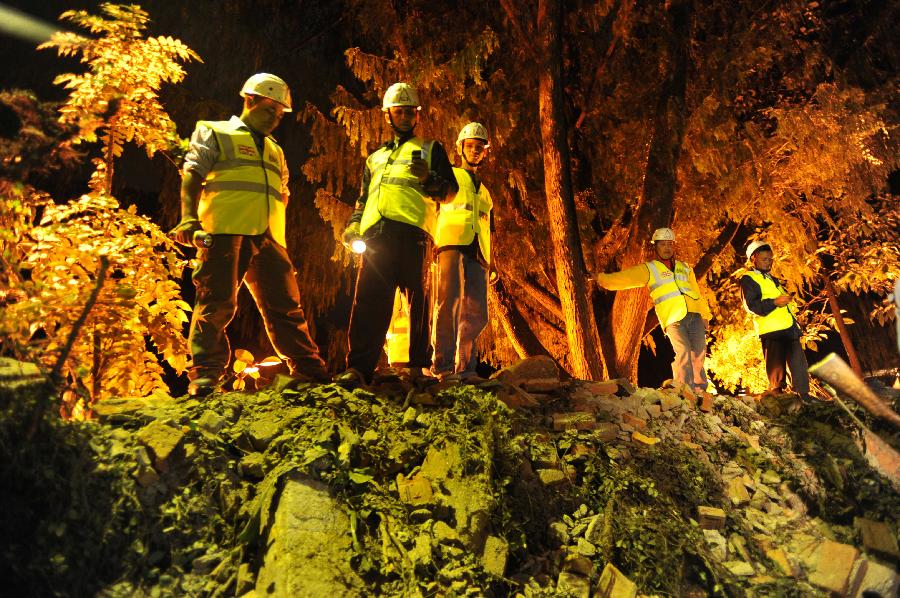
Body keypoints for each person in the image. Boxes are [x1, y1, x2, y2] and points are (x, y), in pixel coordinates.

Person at [170, 73, 328, 397]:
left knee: (286, 306)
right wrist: (188, 219)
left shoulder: (276, 151)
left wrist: (278, 236)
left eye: (280, 114)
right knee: (215, 304)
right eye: (270, 109)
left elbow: (282, 194)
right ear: (250, 100)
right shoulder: (215, 132)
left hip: (270, 237)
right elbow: (192, 175)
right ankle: (205, 377)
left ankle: (309, 371)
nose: (275, 119)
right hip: (226, 229)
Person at [335, 83, 458, 386]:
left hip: (414, 234)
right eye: (398, 111)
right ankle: (359, 369)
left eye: (409, 112)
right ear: (388, 115)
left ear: (417, 116)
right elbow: (364, 199)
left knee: (420, 301)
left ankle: (419, 368)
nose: (404, 116)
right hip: (377, 236)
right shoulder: (374, 158)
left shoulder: (431, 149)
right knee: (368, 302)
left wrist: (428, 177)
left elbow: (450, 192)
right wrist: (353, 226)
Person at [592, 228, 712, 392]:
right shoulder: (650, 269)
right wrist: (602, 279)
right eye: (663, 244)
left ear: (674, 246)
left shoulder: (685, 268)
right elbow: (625, 278)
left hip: (694, 315)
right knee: (683, 351)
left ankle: (700, 391)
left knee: (698, 353)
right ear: (656, 247)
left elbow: (696, 292)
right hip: (673, 319)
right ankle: (685, 390)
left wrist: (705, 315)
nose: (667, 248)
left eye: (670, 244)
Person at [431, 122, 494, 381]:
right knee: (449, 303)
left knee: (476, 312)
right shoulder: (451, 177)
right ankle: (443, 366)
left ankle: (466, 369)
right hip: (451, 244)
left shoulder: (486, 192)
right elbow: (432, 206)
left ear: (485, 152)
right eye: (471, 146)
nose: (475, 151)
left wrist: (493, 263)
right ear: (460, 148)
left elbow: (489, 228)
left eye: (480, 147)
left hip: (478, 253)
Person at [741, 240, 811, 401]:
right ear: (753, 259)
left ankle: (804, 395)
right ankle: (778, 395)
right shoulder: (748, 278)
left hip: (788, 327)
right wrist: (774, 302)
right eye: (765, 259)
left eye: (770, 259)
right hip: (771, 329)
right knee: (776, 367)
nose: (768, 262)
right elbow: (752, 306)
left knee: (799, 362)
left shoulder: (773, 279)